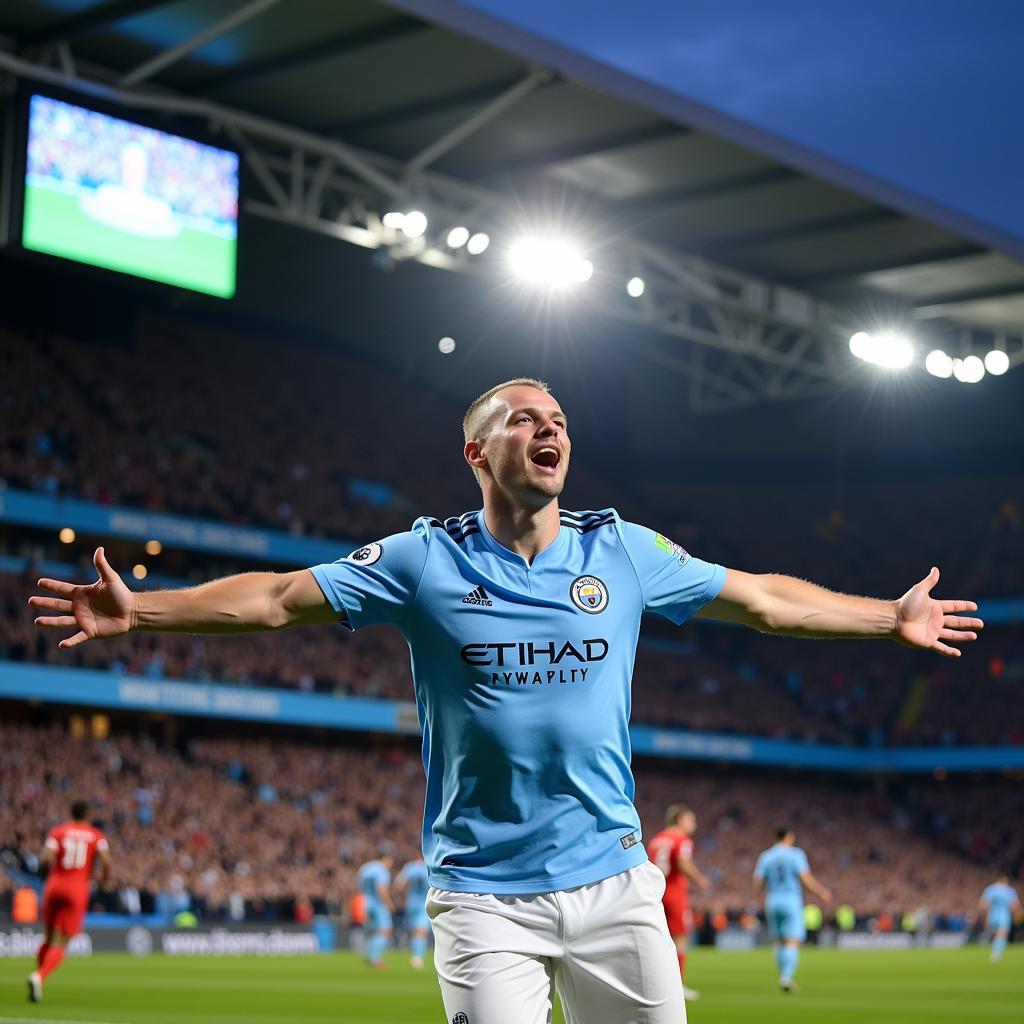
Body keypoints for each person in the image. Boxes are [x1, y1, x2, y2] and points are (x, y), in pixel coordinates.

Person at [30, 377, 983, 1023]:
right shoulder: (421, 560)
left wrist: (883, 617)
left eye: (559, 417)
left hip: (614, 883)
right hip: (485, 894)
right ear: (478, 454)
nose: (550, 427)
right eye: (525, 418)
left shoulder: (626, 552)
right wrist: (142, 612)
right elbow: (280, 601)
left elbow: (767, 601)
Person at [27, 799, 111, 1003]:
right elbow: (106, 861)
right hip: (76, 889)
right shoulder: (96, 835)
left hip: (54, 886)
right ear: (88, 814)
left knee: (48, 938)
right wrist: (102, 881)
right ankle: (39, 976)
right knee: (62, 942)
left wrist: (47, 875)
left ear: (70, 812)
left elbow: (45, 858)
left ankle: (39, 976)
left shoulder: (58, 831)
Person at [754, 827, 832, 993]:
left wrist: (760, 894)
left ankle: (783, 975)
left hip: (773, 900)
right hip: (790, 900)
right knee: (792, 940)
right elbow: (805, 878)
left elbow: (758, 883)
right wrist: (821, 892)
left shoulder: (766, 856)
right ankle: (786, 977)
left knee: (779, 940)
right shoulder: (796, 854)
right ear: (789, 837)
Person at [647, 805, 710, 1001]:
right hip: (674, 892)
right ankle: (677, 986)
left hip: (655, 891)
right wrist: (700, 879)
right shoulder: (682, 840)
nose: (694, 824)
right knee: (681, 939)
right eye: (691, 820)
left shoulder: (657, 839)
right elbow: (683, 862)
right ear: (680, 819)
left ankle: (654, 983)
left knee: (656, 939)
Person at [355, 850, 394, 968]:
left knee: (373, 931)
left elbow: (359, 886)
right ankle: (375, 958)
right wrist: (389, 903)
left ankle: (369, 955)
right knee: (385, 930)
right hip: (377, 903)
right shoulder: (382, 870)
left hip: (364, 902)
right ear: (385, 858)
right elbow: (381, 888)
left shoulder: (365, 868)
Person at [395, 856, 431, 969]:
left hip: (411, 903)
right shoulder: (429, 866)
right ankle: (417, 958)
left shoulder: (410, 867)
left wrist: (402, 898)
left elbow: (399, 884)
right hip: (424, 903)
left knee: (415, 930)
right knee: (421, 931)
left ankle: (415, 953)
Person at [979, 874, 1021, 962]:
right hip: (1004, 914)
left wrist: (986, 916)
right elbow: (1015, 905)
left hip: (992, 914)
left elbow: (983, 904)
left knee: (997, 934)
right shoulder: (1009, 890)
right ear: (1005, 881)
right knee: (1002, 934)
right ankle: (996, 953)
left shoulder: (990, 889)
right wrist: (1017, 914)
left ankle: (996, 945)